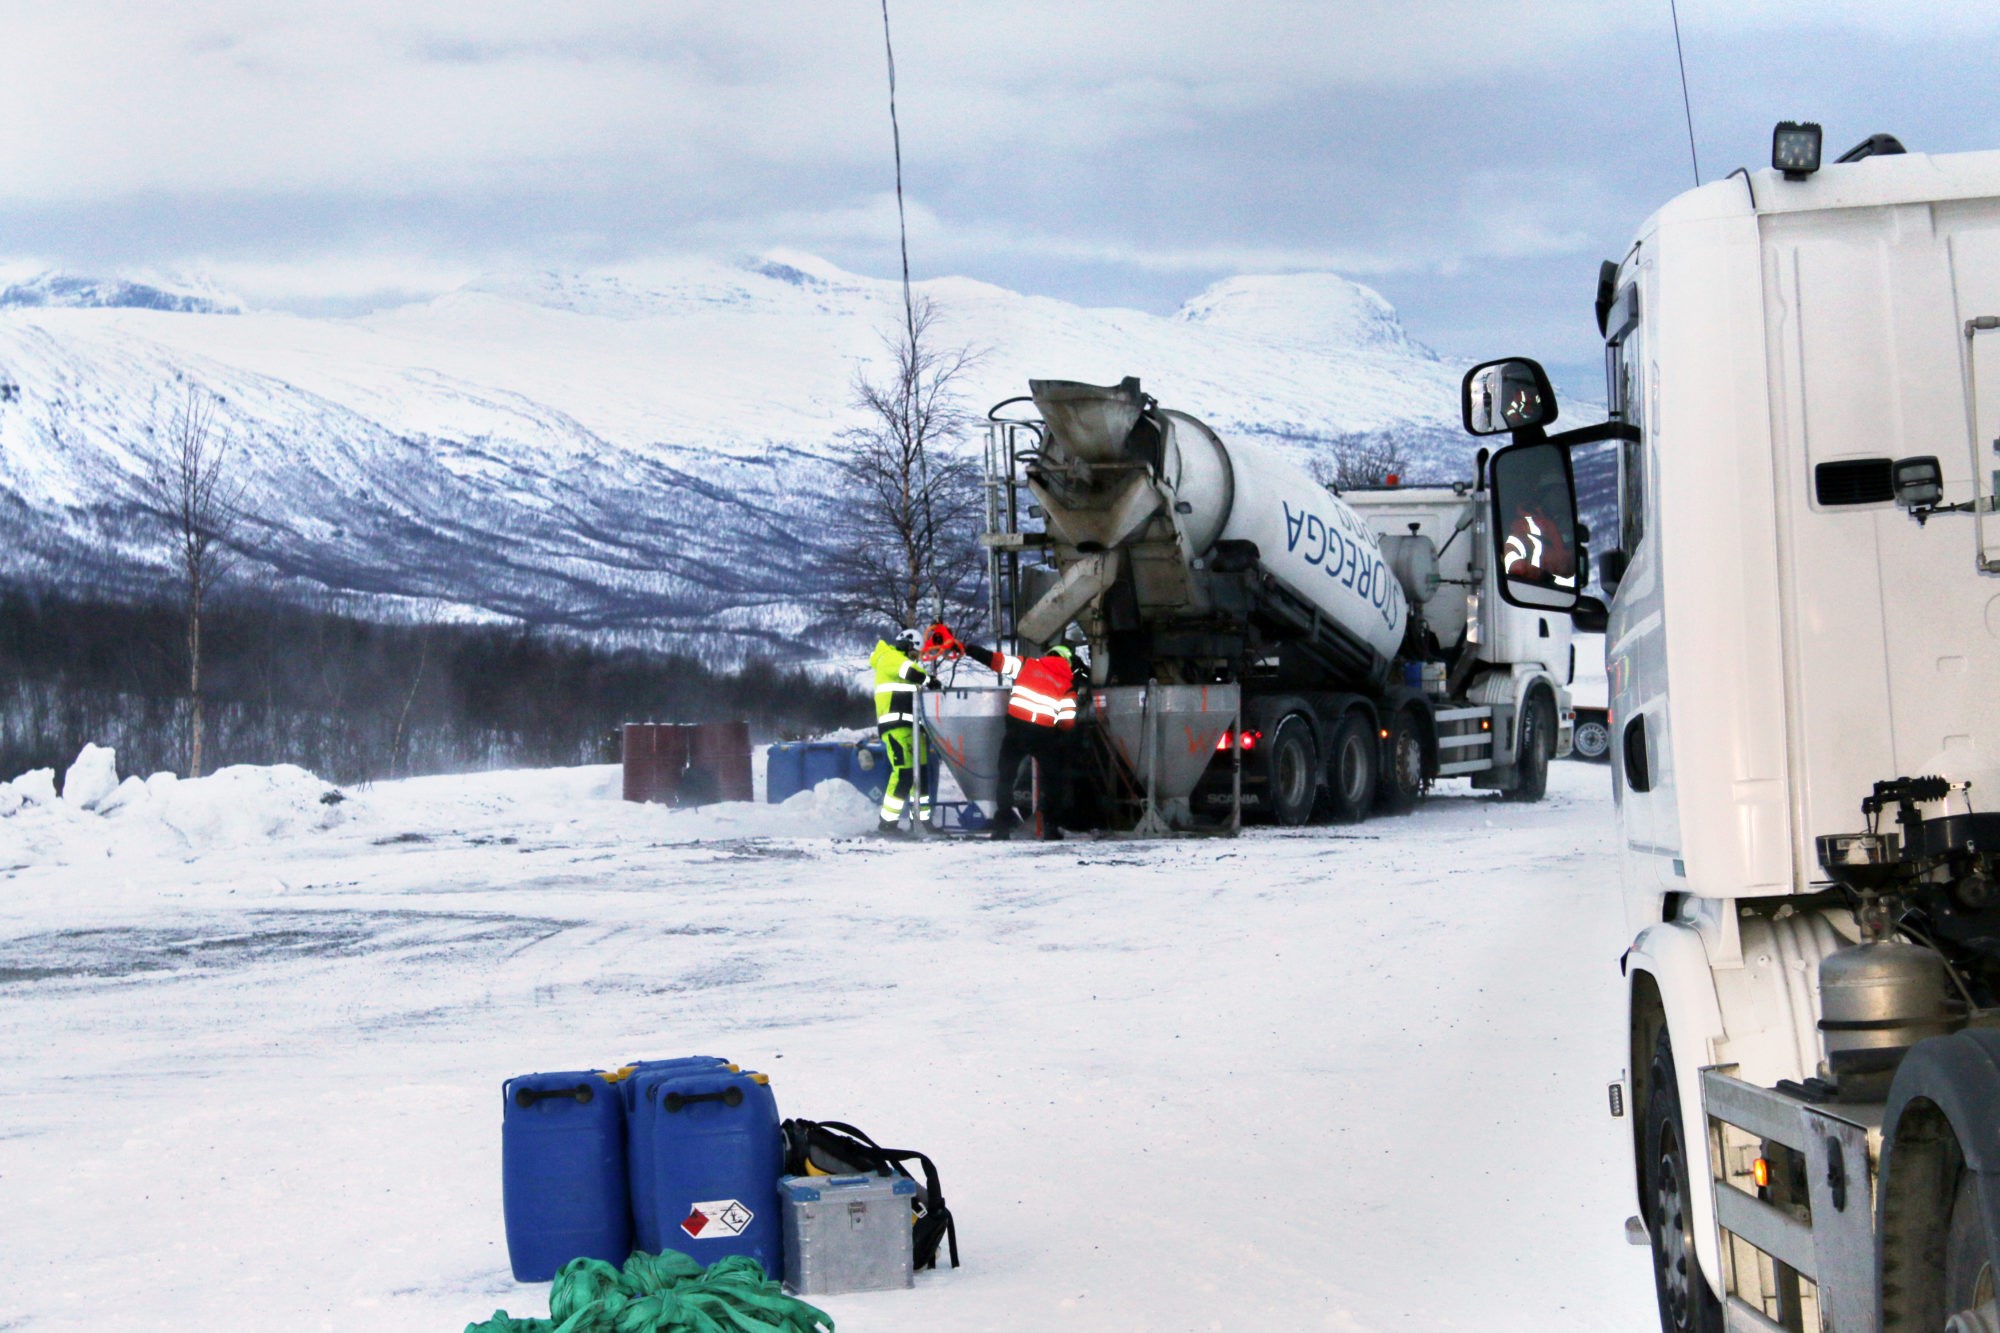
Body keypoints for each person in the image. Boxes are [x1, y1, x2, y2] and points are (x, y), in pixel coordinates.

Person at [942, 630, 1080, 840]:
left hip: (1016, 730)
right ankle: (1051, 827)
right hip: (1044, 735)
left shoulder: (1027, 664)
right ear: (1067, 662)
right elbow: (1068, 723)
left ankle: (1001, 827)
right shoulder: (1068, 684)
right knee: (1052, 780)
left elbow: (994, 660)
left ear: (1049, 655)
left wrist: (968, 649)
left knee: (1006, 777)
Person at [868, 627, 937, 837]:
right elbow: (912, 673)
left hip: (913, 729)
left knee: (921, 774)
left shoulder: (901, 662)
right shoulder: (890, 658)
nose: (916, 659)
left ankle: (923, 821)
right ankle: (887, 823)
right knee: (905, 773)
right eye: (915, 653)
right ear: (907, 646)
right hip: (896, 727)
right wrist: (930, 680)